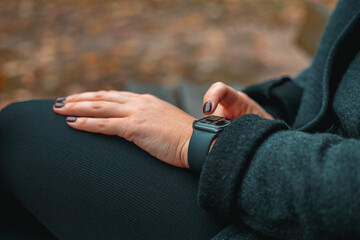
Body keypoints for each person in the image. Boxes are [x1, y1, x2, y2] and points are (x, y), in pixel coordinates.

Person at [1, 0, 360, 239]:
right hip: (287, 170)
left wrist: (209, 141)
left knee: (19, 131)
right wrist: (273, 109)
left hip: (298, 209)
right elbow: (332, 77)